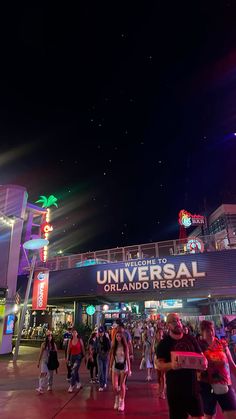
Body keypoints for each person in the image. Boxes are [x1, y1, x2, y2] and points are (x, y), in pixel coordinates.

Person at [156, 313, 207, 419]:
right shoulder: (164, 343)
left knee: (199, 416)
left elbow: (201, 357)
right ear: (167, 325)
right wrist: (171, 365)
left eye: (179, 320)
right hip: (175, 390)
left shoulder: (191, 339)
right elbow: (159, 365)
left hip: (193, 388)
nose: (178, 323)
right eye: (174, 321)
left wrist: (204, 363)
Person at [199, 320, 236, 419]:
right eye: (207, 331)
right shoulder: (198, 347)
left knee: (232, 411)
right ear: (202, 332)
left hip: (224, 383)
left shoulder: (222, 345)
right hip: (206, 386)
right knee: (208, 415)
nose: (210, 333)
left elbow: (232, 365)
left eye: (211, 330)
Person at [109, 330, 131, 412]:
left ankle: (122, 402)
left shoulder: (125, 347)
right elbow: (111, 357)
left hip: (123, 366)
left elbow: (128, 358)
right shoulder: (114, 346)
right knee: (115, 386)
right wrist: (110, 368)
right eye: (117, 336)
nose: (118, 338)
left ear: (122, 337)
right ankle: (117, 398)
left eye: (120, 336)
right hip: (115, 366)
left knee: (122, 385)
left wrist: (129, 369)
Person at [67, 328, 86, 393]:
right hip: (72, 357)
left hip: (78, 356)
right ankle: (78, 383)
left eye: (75, 332)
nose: (74, 334)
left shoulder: (79, 340)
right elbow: (68, 350)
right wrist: (67, 358)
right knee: (75, 370)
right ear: (71, 334)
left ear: (77, 333)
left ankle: (71, 385)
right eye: (73, 333)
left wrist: (84, 356)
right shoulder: (70, 340)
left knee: (74, 370)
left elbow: (83, 348)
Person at [95, 326, 111, 391]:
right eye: (99, 332)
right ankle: (101, 384)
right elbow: (95, 347)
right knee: (100, 370)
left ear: (104, 332)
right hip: (99, 356)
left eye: (102, 332)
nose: (101, 333)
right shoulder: (97, 339)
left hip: (105, 356)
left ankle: (105, 382)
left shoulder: (106, 339)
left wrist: (106, 354)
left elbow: (109, 348)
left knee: (105, 370)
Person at [153, 328, 165, 398]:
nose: (160, 334)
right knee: (158, 376)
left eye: (161, 333)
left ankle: (162, 391)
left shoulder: (164, 342)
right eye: (159, 333)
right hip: (156, 359)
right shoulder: (155, 341)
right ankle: (160, 387)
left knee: (162, 376)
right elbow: (153, 350)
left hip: (163, 360)